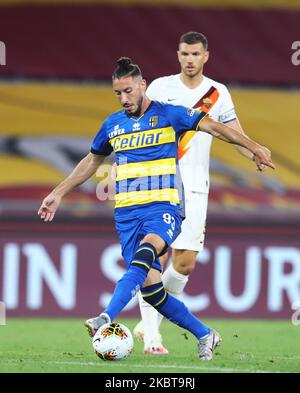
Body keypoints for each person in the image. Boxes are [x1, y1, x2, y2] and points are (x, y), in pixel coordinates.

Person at [38, 57, 274, 361]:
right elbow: (92, 161)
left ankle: (105, 318)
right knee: (152, 292)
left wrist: (255, 146)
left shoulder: (169, 114)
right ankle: (206, 334)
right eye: (118, 94)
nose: (124, 99)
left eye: (128, 91)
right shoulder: (113, 125)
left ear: (142, 85)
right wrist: (58, 193)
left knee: (146, 254)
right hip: (126, 215)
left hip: (163, 207)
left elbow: (214, 127)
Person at [133, 31, 271, 355]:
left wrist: (254, 153)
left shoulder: (218, 93)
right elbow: (139, 129)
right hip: (160, 181)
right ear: (177, 55)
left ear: (206, 56)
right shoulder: (159, 88)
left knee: (184, 264)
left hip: (196, 185)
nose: (189, 60)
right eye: (184, 54)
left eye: (195, 54)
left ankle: (151, 315)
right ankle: (152, 337)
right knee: (157, 254)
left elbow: (233, 135)